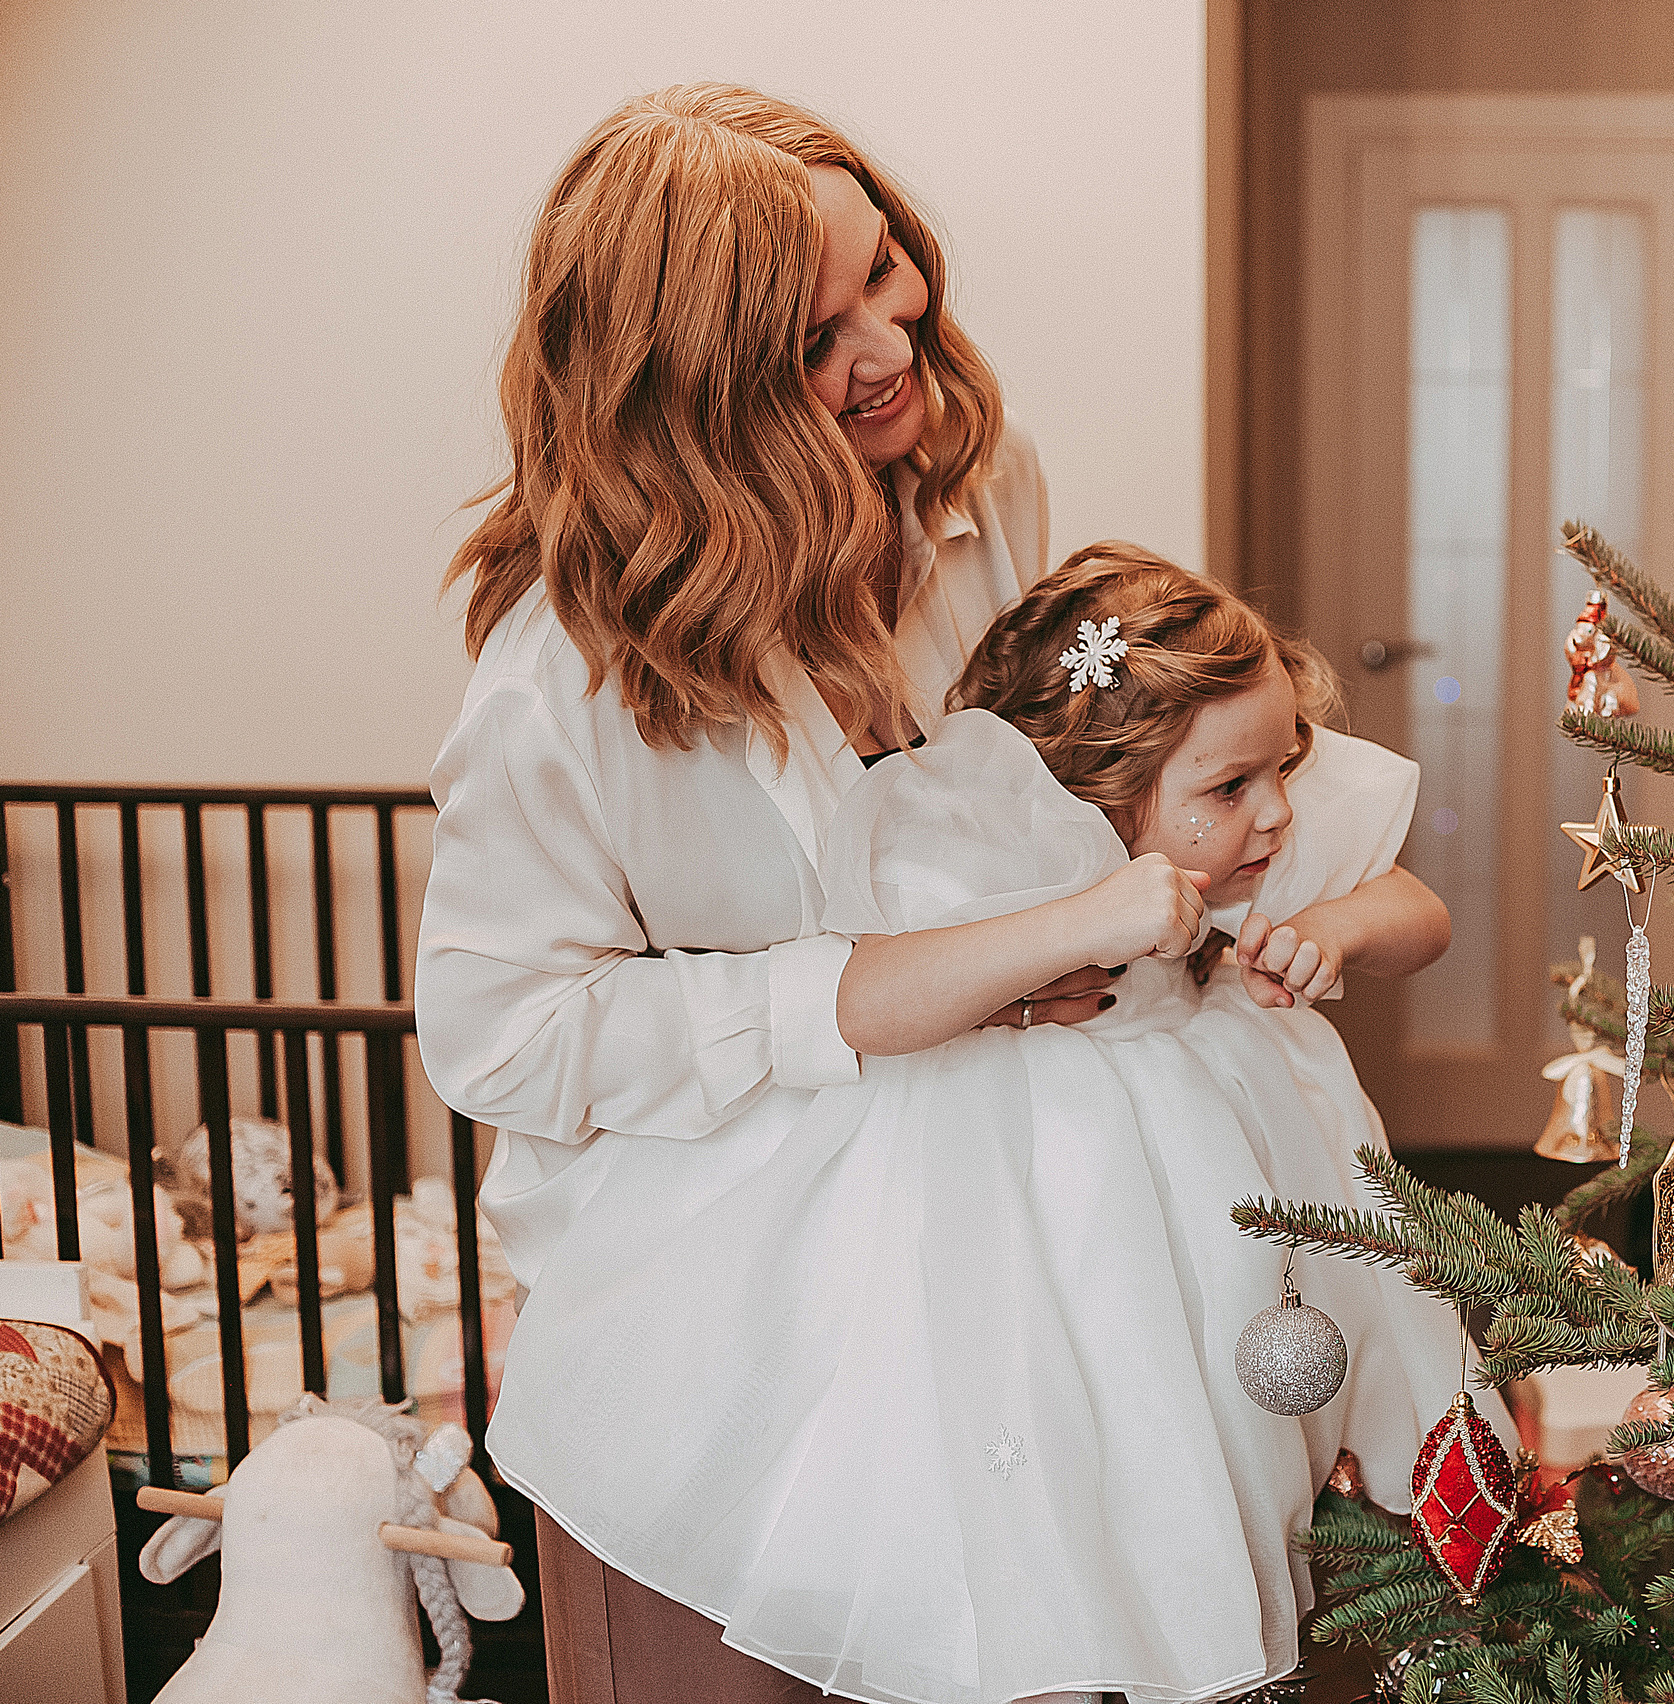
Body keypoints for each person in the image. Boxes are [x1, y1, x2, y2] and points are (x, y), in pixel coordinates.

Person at [490, 543, 1496, 1704]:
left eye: (1286, 768)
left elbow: (1416, 912)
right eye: (1230, 789)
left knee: (1214, 1432)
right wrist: (1080, 924)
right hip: (1050, 1175)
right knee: (1062, 1422)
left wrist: (1335, 927)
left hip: (1218, 1158)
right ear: (1101, 790)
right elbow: (887, 987)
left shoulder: (1249, 843)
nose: (1275, 810)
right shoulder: (1001, 857)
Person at [415, 85, 1103, 1699]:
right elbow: (504, 1036)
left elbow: (1017, 799)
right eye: (812, 339)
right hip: (707, 1323)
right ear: (691, 393)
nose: (890, 343)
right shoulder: (565, 676)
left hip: (972, 1252)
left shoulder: (980, 493)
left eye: (889, 271)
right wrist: (848, 1001)